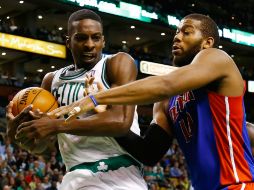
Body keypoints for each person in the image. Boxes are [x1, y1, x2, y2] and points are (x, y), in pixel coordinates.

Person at [45, 13, 254, 190]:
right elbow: (148, 152)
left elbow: (165, 84)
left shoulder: (218, 58)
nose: (177, 38)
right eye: (176, 33)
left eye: (186, 32)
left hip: (239, 183)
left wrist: (95, 97)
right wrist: (104, 112)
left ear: (207, 43)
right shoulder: (167, 102)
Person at [6, 9, 148, 190]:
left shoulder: (117, 63)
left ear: (103, 41)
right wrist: (19, 135)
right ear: (68, 41)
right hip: (75, 176)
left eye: (96, 38)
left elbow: (120, 121)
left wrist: (56, 125)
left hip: (119, 174)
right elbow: (42, 147)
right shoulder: (51, 80)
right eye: (81, 38)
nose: (90, 44)